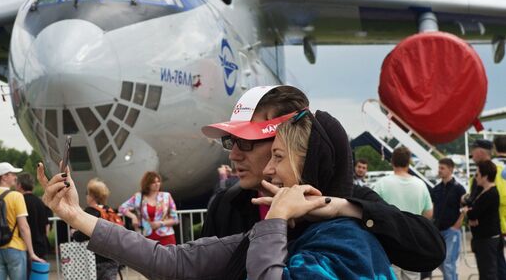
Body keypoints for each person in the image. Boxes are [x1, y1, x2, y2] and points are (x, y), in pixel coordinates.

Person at [35, 107, 396, 279]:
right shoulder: (285, 233)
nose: (268, 168)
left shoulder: (347, 243)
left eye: (278, 157)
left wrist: (276, 221)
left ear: (311, 168)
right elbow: (171, 261)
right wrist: (76, 216)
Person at [199, 85, 444, 272]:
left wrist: (342, 208)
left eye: (246, 141)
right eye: (230, 141)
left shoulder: (348, 199)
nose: (234, 154)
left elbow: (430, 249)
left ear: (286, 138)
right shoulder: (226, 205)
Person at [373, 146, 433, 280]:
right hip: (413, 240)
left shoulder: (382, 183)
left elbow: (373, 210)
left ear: (392, 161)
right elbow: (428, 213)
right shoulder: (420, 184)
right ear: (408, 163)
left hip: (389, 240)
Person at [0, 162, 45, 280]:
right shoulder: (16, 196)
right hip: (15, 248)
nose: (15, 177)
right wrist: (31, 253)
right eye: (12, 174)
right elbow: (23, 227)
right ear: (4, 177)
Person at [468, 138, 506, 277]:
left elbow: (494, 197)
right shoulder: (498, 168)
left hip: (492, 227)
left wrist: (473, 212)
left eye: (473, 151)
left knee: (491, 269)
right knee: (498, 266)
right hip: (496, 227)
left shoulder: (490, 170)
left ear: (479, 152)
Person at [462, 160, 504, 280]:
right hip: (482, 237)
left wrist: (469, 213)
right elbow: (474, 212)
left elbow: (474, 213)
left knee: (488, 272)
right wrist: (471, 214)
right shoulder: (482, 191)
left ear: (485, 176)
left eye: (477, 174)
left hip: (488, 238)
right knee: (485, 271)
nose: (476, 177)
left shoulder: (491, 193)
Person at [72, 178, 120, 280]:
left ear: (92, 196)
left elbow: (83, 235)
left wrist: (74, 233)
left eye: (88, 193)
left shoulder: (91, 211)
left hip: (97, 259)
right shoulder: (108, 210)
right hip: (112, 257)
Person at [118, 171, 179, 245]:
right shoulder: (138, 197)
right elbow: (121, 208)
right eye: (153, 182)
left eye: (158, 181)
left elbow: (175, 219)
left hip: (166, 237)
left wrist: (160, 223)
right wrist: (133, 216)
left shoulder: (166, 196)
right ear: (147, 184)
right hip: (145, 237)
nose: (157, 184)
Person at [431, 158, 466, 280]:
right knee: (439, 261)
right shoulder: (436, 189)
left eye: (442, 168)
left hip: (452, 231)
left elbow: (465, 208)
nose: (439, 170)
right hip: (438, 230)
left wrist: (457, 225)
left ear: (451, 169)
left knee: (448, 262)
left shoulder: (459, 188)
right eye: (439, 168)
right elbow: (433, 209)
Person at [16, 172, 52, 275]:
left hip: (25, 248)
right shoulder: (40, 202)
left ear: (19, 185)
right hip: (41, 247)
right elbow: (47, 226)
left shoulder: (20, 201)